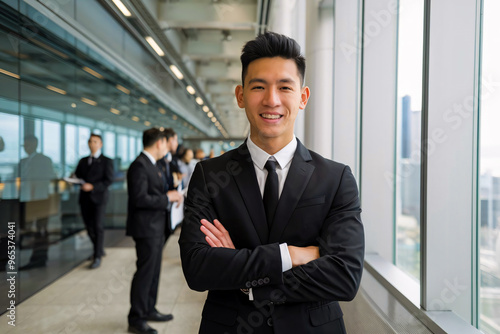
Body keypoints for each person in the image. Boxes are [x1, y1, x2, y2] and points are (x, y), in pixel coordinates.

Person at [179, 32, 364, 334]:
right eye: (259, 86)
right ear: (240, 95)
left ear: (302, 97)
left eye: (284, 87)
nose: (271, 100)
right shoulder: (209, 175)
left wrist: (247, 283)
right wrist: (290, 254)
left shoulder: (335, 178)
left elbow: (344, 275)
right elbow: (198, 268)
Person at [126, 128, 183, 334]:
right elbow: (139, 199)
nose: (167, 146)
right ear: (159, 143)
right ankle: (136, 318)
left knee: (154, 272)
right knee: (145, 272)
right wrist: (168, 198)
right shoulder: (139, 166)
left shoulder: (155, 164)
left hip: (157, 226)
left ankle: (149, 309)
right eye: (165, 143)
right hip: (145, 227)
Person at [74, 133, 114, 269]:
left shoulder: (107, 161)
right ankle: (99, 249)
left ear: (100, 144)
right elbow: (77, 175)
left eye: (95, 142)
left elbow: (109, 180)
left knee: (98, 226)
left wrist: (93, 186)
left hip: (99, 198)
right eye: (90, 141)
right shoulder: (83, 161)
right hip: (84, 199)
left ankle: (97, 255)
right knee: (89, 227)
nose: (92, 144)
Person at [18, 135, 57, 270]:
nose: (25, 148)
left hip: (40, 200)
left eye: (27, 145)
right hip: (25, 200)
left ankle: (39, 258)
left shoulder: (45, 160)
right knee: (28, 230)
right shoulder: (22, 162)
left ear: (35, 144)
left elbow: (51, 177)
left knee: (40, 229)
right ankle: (35, 257)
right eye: (24, 145)